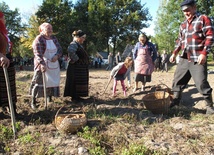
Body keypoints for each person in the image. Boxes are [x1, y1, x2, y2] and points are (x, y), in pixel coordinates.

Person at [169, 0, 214, 114]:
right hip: (184, 57)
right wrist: (174, 53)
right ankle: (175, 102)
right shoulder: (183, 24)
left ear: (194, 7)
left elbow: (210, 37)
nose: (186, 13)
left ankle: (209, 106)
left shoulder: (203, 19)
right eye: (184, 11)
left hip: (198, 56)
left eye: (188, 10)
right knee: (177, 80)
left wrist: (204, 53)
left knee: (201, 83)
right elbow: (179, 41)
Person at [29, 22, 62, 109]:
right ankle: (33, 101)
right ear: (41, 30)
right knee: (38, 83)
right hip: (41, 64)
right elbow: (37, 54)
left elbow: (60, 49)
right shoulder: (39, 39)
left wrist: (57, 56)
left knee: (51, 82)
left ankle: (49, 99)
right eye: (48, 29)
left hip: (53, 64)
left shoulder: (54, 38)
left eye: (51, 29)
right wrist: (42, 64)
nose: (50, 31)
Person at [0, 11, 18, 115]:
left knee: (10, 87)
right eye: (3, 18)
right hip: (1, 61)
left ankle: (12, 108)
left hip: (8, 61)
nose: (5, 20)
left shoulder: (4, 32)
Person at [64, 30, 90, 101]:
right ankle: (74, 97)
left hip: (79, 68)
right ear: (78, 37)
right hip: (75, 68)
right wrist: (77, 60)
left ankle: (77, 96)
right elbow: (71, 51)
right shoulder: (73, 44)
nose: (84, 39)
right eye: (83, 37)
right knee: (75, 82)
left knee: (79, 82)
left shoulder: (78, 45)